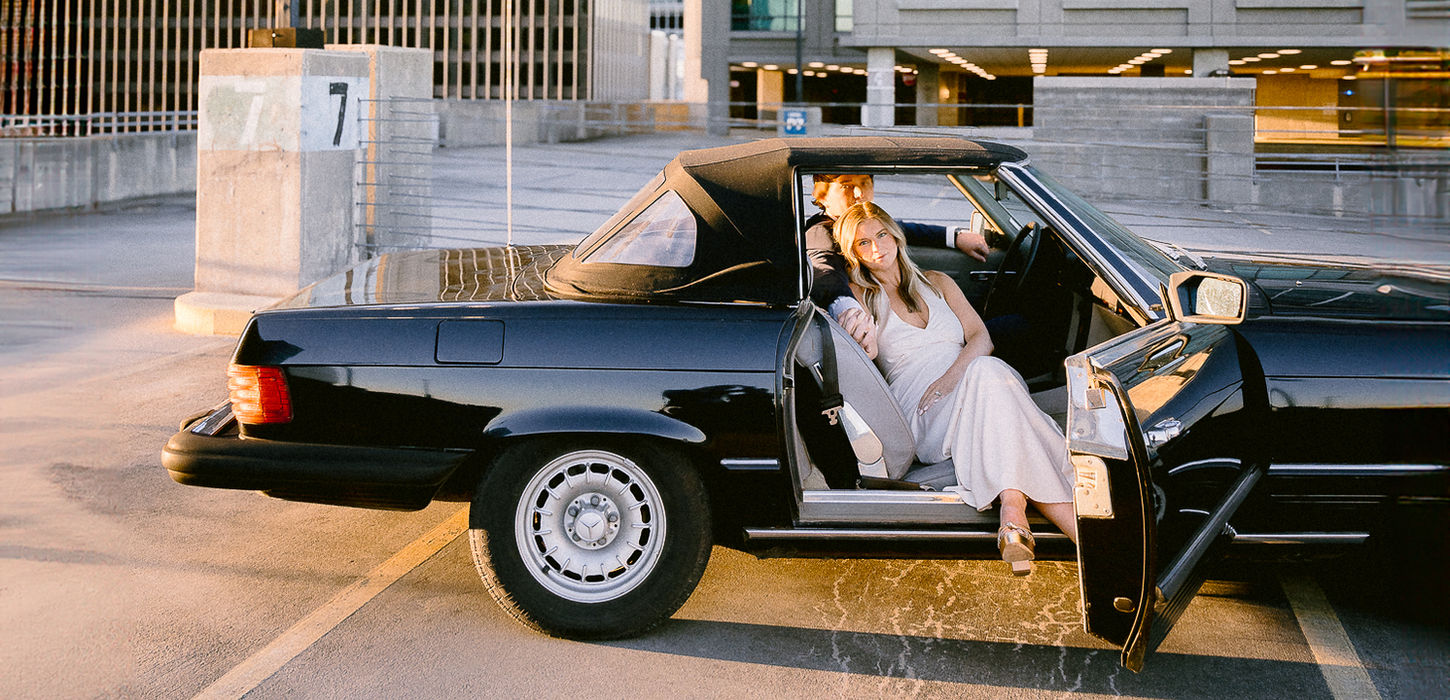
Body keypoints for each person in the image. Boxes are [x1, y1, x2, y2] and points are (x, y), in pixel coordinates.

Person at [832, 201, 1077, 576]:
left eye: (881, 234)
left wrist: (952, 377)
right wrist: (849, 321)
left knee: (988, 372)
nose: (877, 247)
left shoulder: (939, 282)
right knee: (995, 379)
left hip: (970, 386)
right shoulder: (858, 297)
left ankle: (1013, 514)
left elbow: (981, 337)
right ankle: (1070, 528)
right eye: (863, 243)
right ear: (854, 253)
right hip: (921, 411)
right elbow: (855, 343)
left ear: (895, 235)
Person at [806, 173, 991, 359]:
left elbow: (900, 228)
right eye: (846, 186)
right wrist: (850, 312)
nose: (859, 192)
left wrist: (954, 236)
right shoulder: (820, 234)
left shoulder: (870, 222)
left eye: (864, 183)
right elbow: (825, 271)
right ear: (822, 196)